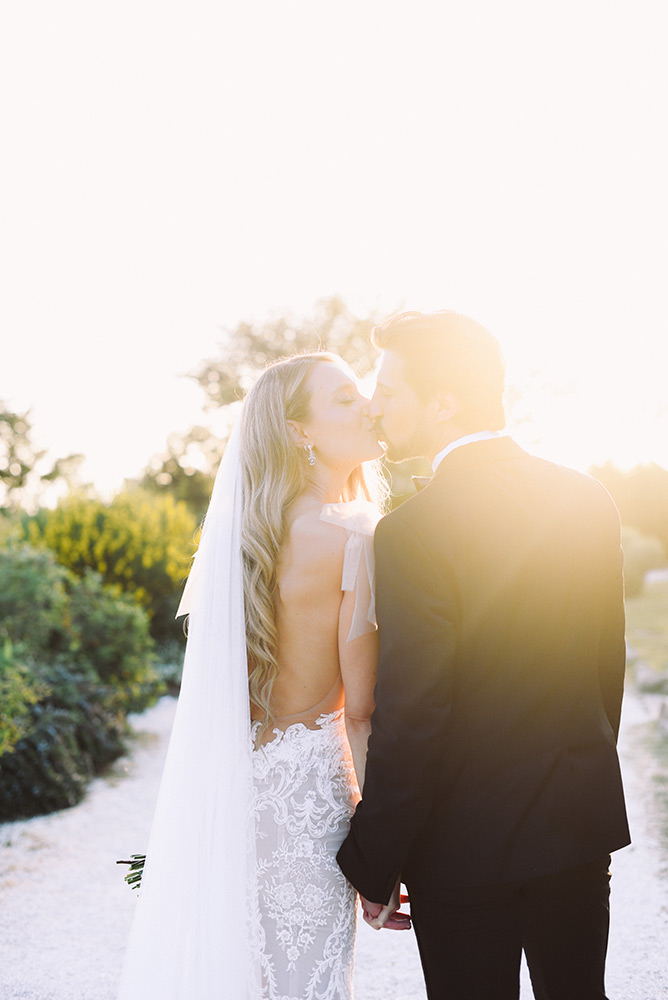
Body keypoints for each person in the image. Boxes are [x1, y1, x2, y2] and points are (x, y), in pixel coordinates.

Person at [337, 310, 631, 1000]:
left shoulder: (412, 531)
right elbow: (604, 673)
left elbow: (416, 710)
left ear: (442, 402)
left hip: (462, 849)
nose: (375, 406)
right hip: (575, 828)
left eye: (390, 389)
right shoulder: (588, 498)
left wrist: (375, 861)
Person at [117, 352, 405, 1000]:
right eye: (343, 399)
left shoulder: (247, 537)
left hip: (232, 792)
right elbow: (359, 711)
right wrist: (379, 855)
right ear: (299, 431)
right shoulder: (356, 537)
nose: (366, 407)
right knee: (307, 981)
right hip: (308, 803)